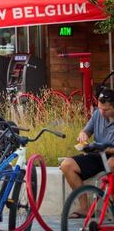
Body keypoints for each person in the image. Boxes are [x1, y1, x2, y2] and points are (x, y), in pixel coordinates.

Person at [60, 88, 114, 217]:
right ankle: (84, 207)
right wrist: (83, 136)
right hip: (97, 154)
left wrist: (102, 148)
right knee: (66, 165)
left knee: (112, 164)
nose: (101, 112)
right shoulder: (97, 114)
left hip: (111, 154)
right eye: (100, 108)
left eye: (105, 109)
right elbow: (86, 131)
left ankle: (111, 205)